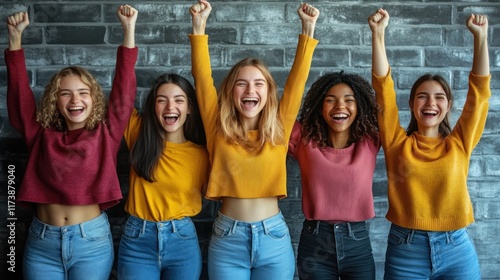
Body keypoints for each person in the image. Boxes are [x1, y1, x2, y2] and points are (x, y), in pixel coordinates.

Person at [5, 5, 138, 280]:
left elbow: (124, 91)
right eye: (65, 94)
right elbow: (20, 99)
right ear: (56, 101)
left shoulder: (107, 134)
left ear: (93, 99)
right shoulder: (40, 135)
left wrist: (128, 31)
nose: (75, 100)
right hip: (42, 242)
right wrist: (15, 41)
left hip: (90, 241)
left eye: (83, 93)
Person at [189, 0, 319, 279]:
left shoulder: (279, 127)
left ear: (268, 92)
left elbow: (297, 82)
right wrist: (198, 27)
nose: (250, 89)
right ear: (231, 91)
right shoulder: (217, 128)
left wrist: (308, 29)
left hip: (273, 236)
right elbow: (202, 80)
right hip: (228, 237)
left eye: (258, 83)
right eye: (242, 83)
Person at [369, 8, 490, 279]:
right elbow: (383, 90)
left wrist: (481, 38)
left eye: (439, 98)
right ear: (412, 105)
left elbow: (479, 95)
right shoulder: (397, 142)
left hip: (456, 248)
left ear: (448, 107)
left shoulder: (459, 143)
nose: (430, 103)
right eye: (422, 97)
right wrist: (378, 34)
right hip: (406, 249)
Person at [116, 73, 209, 279]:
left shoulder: (202, 155)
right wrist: (129, 42)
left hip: (182, 241)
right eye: (161, 100)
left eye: (179, 100)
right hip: (137, 241)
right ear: (153, 107)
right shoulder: (138, 135)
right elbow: (119, 99)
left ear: (190, 108)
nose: (170, 107)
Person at [289, 71, 380, 279]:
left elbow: (385, 96)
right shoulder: (304, 141)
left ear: (360, 107)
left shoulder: (371, 140)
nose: (340, 106)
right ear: (320, 108)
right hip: (315, 241)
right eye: (330, 100)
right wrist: (305, 47)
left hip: (357, 243)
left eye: (349, 100)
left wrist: (379, 38)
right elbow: (284, 110)